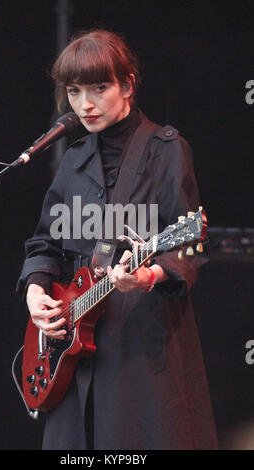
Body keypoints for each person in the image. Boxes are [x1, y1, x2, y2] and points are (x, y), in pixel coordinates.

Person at [16, 29, 219, 450]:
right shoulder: (73, 160)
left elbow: (189, 243)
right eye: (73, 91)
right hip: (70, 350)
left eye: (99, 87)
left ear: (127, 85)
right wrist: (36, 291)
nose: (84, 104)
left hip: (139, 347)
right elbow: (44, 244)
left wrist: (150, 276)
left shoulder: (166, 150)